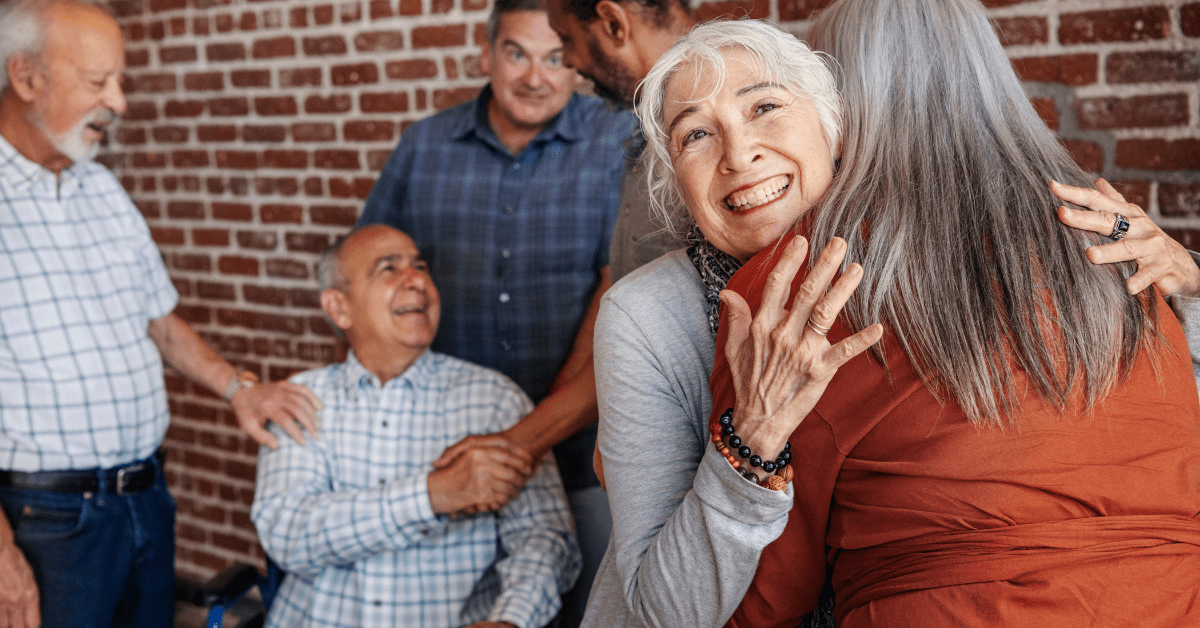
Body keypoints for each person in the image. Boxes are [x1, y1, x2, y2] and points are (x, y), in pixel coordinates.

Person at [583, 15, 1200, 628]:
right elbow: (674, 609)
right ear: (670, 179)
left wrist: (1189, 286)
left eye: (765, 106)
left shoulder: (1092, 248)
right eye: (694, 135)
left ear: (837, 123)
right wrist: (752, 438)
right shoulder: (648, 314)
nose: (739, 155)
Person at [0, 1, 321, 626]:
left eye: (119, 81)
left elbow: (161, 323)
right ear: (26, 77)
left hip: (145, 502)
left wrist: (237, 389)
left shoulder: (102, 189)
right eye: (98, 82)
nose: (118, 102)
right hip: (42, 523)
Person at [356, 0, 631, 621]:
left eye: (555, 58)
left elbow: (618, 295)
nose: (536, 77)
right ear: (485, 55)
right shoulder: (424, 145)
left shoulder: (617, 140)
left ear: (576, 62)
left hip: (586, 451)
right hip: (449, 452)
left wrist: (531, 435)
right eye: (516, 54)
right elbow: (367, 278)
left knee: (589, 610)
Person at [251, 225, 580, 628]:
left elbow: (546, 539)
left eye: (421, 267)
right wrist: (432, 495)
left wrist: (511, 620)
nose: (417, 281)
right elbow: (287, 534)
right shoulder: (301, 399)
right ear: (339, 308)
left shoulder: (494, 399)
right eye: (388, 269)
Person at [546, 0, 694, 283]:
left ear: (614, 24)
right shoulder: (651, 118)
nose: (566, 60)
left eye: (567, 39)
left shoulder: (712, 132)